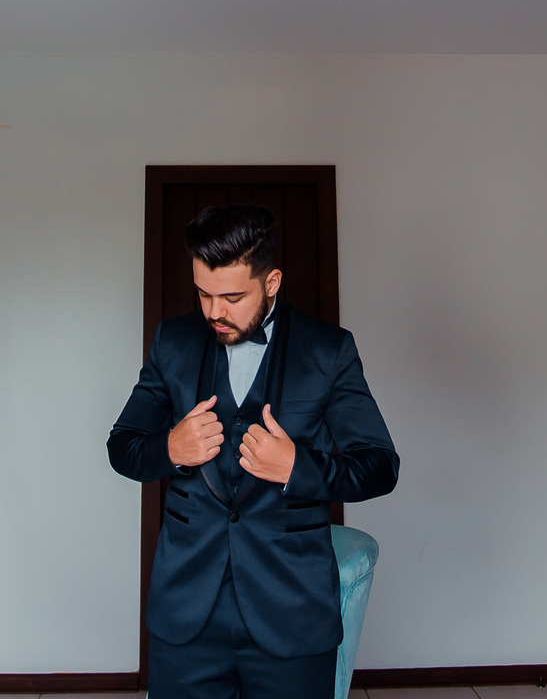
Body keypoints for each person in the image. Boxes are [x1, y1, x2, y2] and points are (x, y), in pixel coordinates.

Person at [108, 203, 399, 699]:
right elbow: (123, 447)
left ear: (272, 282)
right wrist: (170, 447)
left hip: (293, 613)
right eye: (203, 293)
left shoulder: (328, 350)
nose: (214, 312)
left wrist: (297, 467)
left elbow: (380, 466)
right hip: (186, 617)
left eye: (232, 297)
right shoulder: (172, 343)